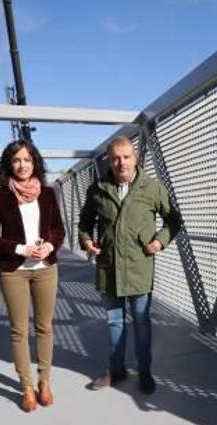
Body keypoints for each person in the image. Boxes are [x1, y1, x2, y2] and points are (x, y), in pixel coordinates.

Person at [78, 136, 181, 394]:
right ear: (109, 161)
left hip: (139, 267)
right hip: (109, 267)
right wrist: (87, 241)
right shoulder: (97, 189)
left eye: (126, 157)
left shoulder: (152, 188)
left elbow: (173, 220)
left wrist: (160, 241)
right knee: (115, 322)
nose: (121, 162)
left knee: (141, 322)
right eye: (115, 158)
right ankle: (116, 370)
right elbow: (84, 223)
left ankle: (145, 371)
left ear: (135, 158)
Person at [0, 139, 65, 412]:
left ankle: (44, 382)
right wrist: (20, 248)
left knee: (44, 327)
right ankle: (27, 387)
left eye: (27, 160)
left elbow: (58, 230)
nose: (22, 165)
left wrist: (50, 245)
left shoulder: (48, 194)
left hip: (45, 271)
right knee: (19, 330)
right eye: (16, 160)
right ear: (9, 163)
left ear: (35, 163)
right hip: (14, 271)